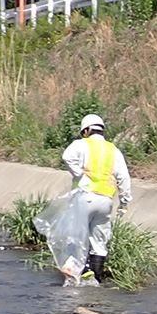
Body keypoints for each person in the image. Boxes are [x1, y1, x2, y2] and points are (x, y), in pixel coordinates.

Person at [60, 112, 132, 285]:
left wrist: (80, 176)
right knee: (100, 241)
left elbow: (66, 157)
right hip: (105, 200)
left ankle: (76, 276)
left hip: (85, 197)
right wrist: (123, 202)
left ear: (86, 131)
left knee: (76, 237)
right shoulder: (113, 150)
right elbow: (124, 178)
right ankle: (96, 280)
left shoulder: (81, 144)